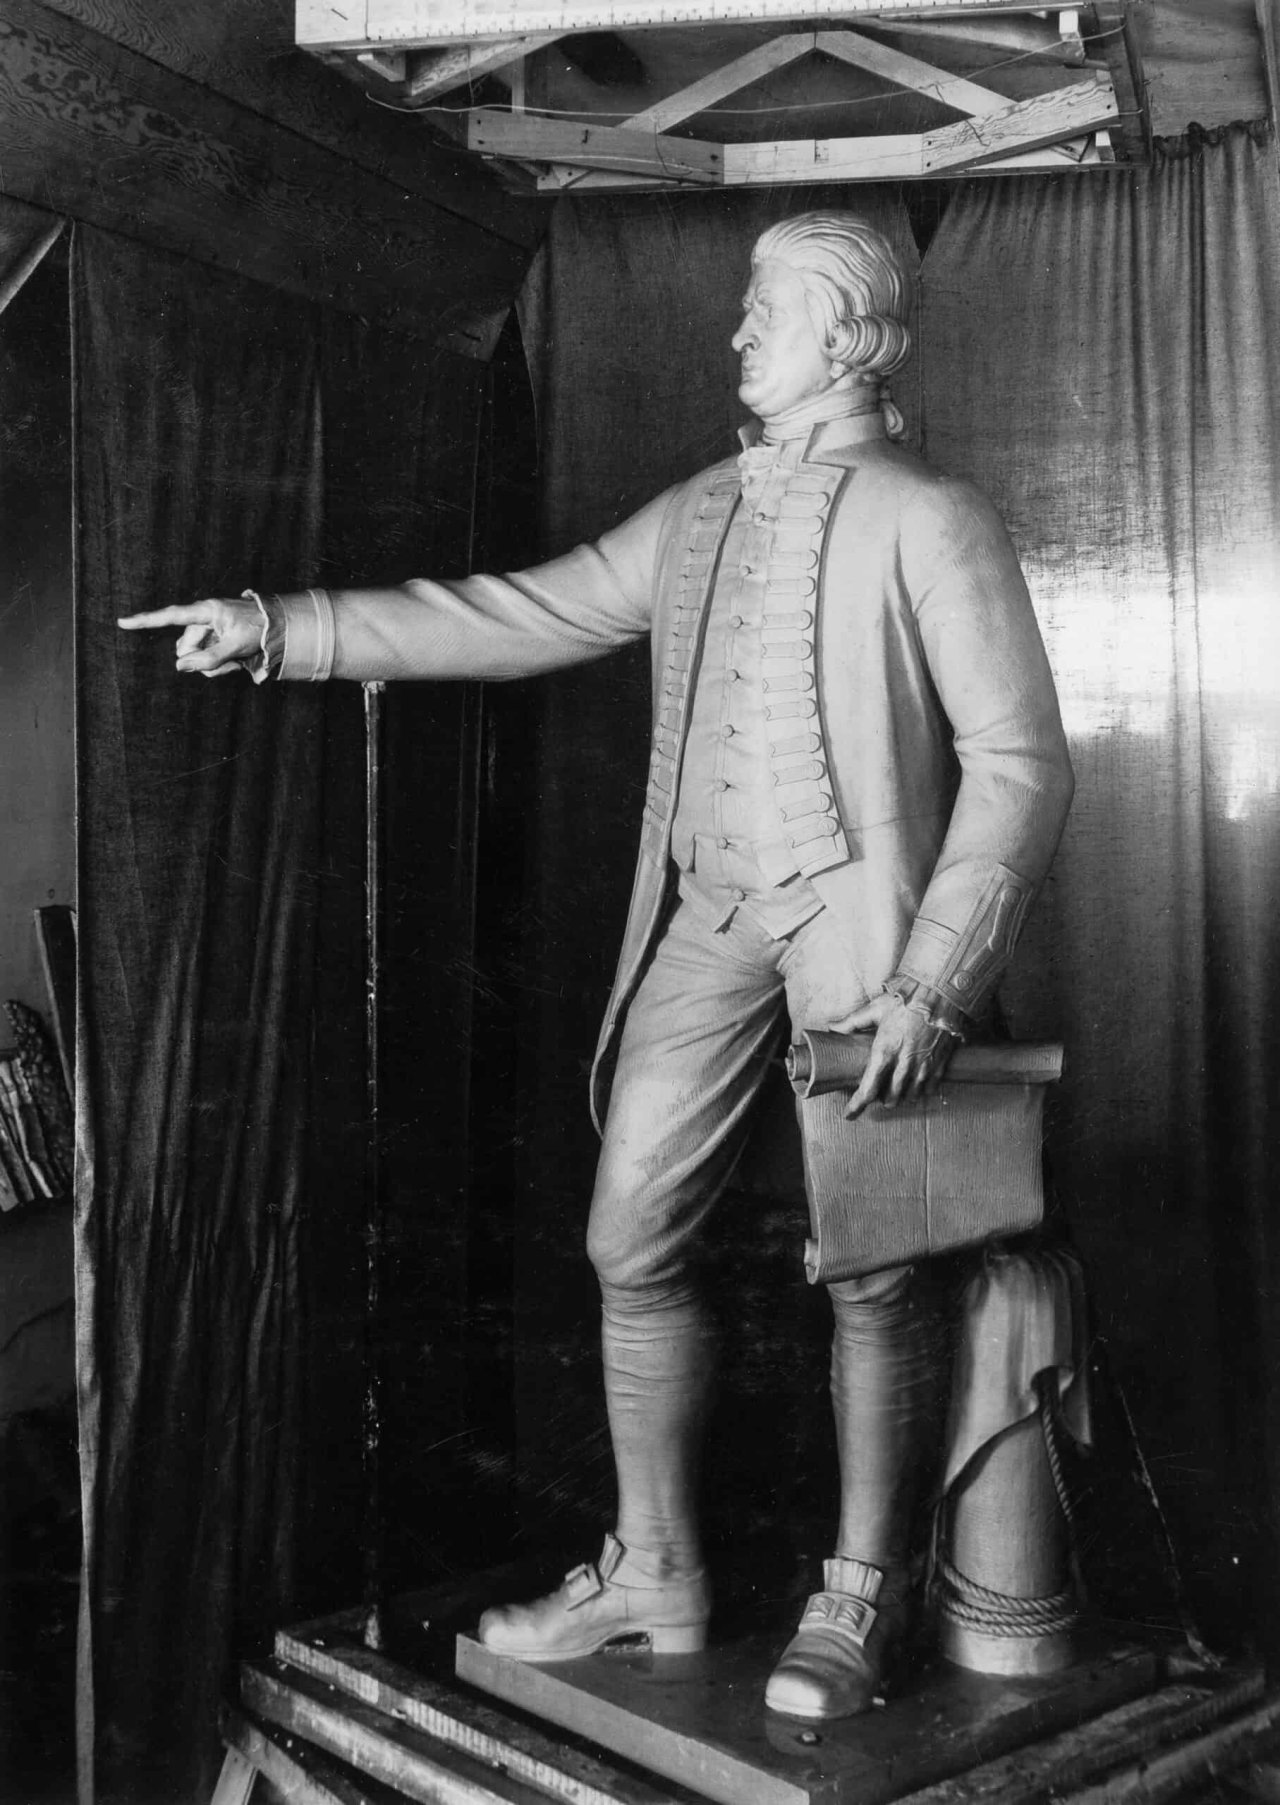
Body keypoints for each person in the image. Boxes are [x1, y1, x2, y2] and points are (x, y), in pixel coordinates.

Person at [120, 211, 1073, 1721]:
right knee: (630, 1232)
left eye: (767, 313)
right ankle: (657, 1571)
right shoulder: (699, 512)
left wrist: (937, 978)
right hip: (711, 907)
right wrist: (278, 625)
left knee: (881, 1268)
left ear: (849, 336)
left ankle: (866, 1589)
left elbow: (1020, 762)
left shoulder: (927, 515)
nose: (738, 337)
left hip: (866, 921)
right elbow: (520, 611)